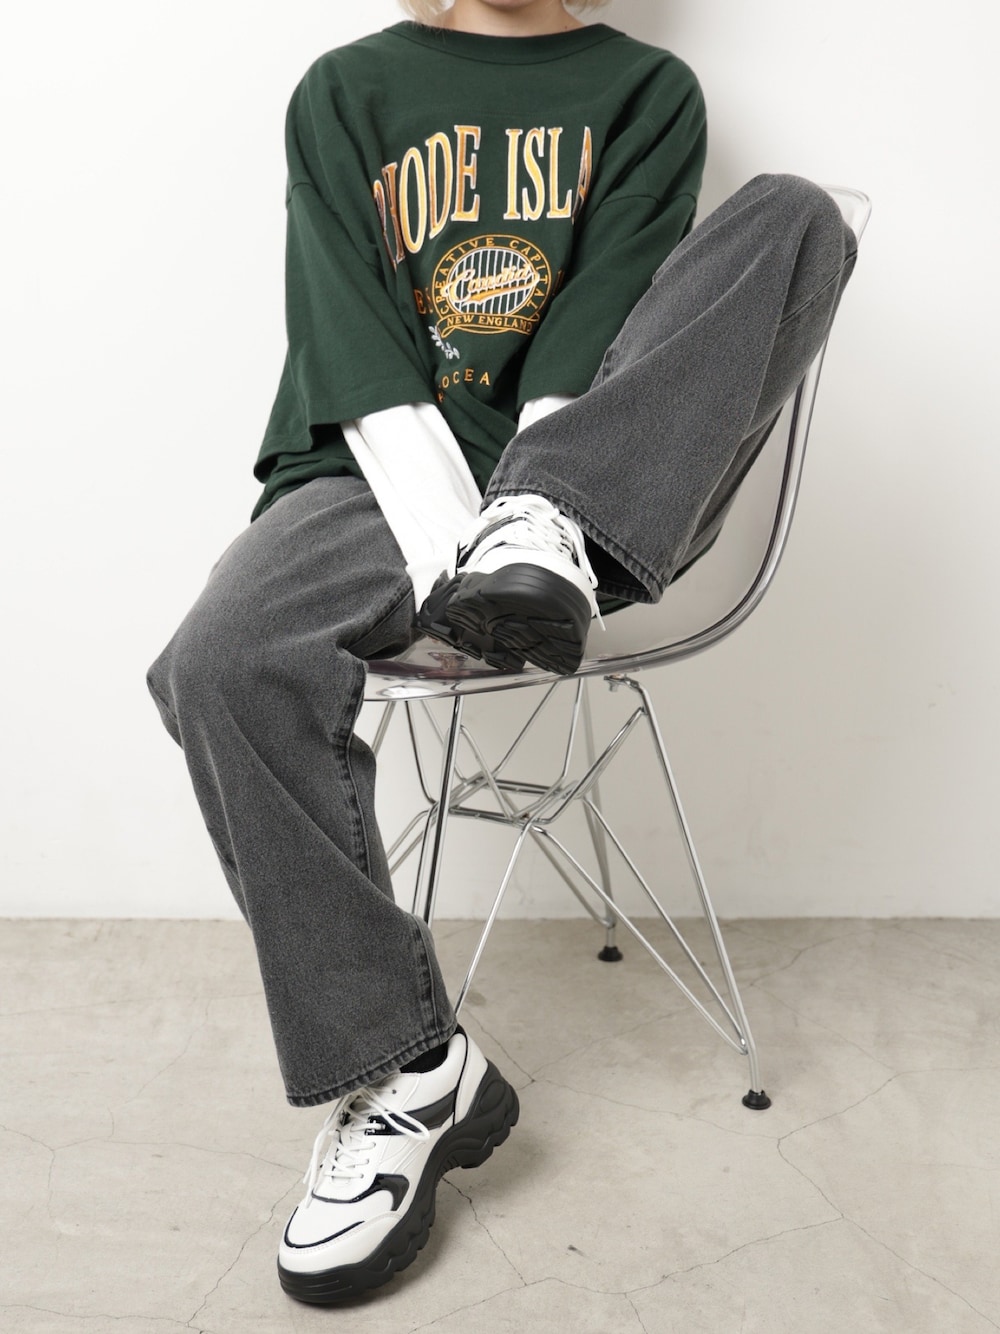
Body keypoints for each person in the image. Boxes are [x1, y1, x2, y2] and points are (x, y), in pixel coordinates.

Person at [147, 0, 857, 1306]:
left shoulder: (648, 91)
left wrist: (536, 513)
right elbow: (347, 335)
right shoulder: (345, 89)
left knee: (798, 214)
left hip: (597, 480)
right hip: (370, 482)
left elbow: (603, 314)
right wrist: (458, 553)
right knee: (217, 662)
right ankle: (409, 1069)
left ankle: (547, 530)